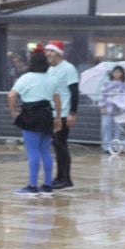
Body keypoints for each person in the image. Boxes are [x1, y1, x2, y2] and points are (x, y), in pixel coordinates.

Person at [8, 49, 67, 195]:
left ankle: (32, 185)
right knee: (45, 151)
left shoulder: (26, 77)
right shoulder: (52, 78)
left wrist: (13, 111)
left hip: (30, 113)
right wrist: (58, 117)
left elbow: (11, 95)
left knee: (32, 150)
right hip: (47, 112)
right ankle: (47, 185)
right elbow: (57, 99)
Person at [45, 42, 81, 190]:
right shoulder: (49, 69)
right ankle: (59, 176)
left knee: (61, 145)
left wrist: (72, 112)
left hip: (64, 113)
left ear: (58, 53)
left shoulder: (68, 68)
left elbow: (74, 92)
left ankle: (65, 178)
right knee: (57, 146)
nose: (48, 54)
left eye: (50, 52)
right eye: (46, 52)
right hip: (52, 112)